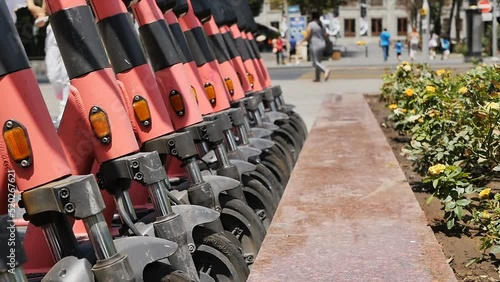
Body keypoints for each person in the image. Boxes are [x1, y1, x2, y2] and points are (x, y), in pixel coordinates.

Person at [27, 0, 70, 127]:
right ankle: (63, 100)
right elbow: (40, 9)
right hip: (53, 30)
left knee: (65, 76)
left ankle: (64, 111)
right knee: (53, 76)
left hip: (71, 27)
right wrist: (42, 16)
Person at [298, 10, 330, 82]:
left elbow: (308, 36)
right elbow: (325, 35)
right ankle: (317, 77)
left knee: (315, 62)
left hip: (315, 44)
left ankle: (325, 70)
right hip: (322, 44)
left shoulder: (311, 24)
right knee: (318, 61)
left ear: (312, 16)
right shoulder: (321, 24)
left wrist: (301, 42)